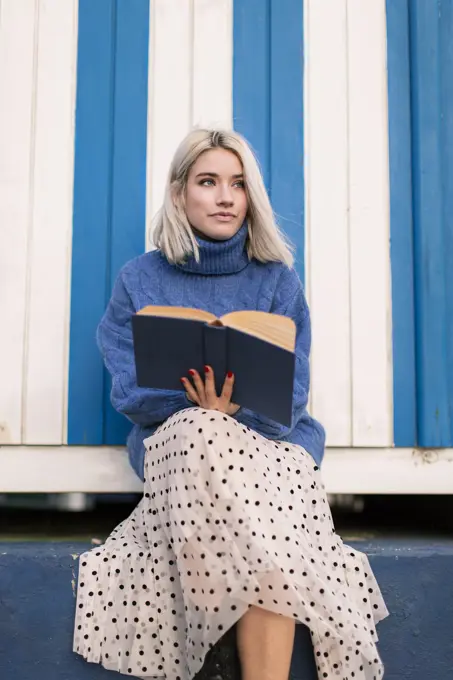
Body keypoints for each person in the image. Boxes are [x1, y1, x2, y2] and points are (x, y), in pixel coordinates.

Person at [73, 128, 388, 680]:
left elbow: (289, 400)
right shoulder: (139, 279)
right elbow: (130, 392)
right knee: (203, 435)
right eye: (208, 182)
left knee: (253, 497)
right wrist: (201, 407)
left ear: (250, 197)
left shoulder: (277, 281)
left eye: (237, 185)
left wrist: (234, 411)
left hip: (268, 450)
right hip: (179, 449)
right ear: (179, 195)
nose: (224, 197)